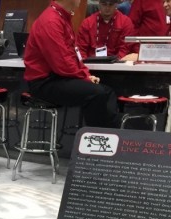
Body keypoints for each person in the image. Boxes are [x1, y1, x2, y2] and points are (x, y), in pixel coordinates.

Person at [23, 0, 119, 128]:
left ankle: (111, 136)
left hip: (56, 78)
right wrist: (84, 77)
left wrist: (85, 75)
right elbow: (62, 63)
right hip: (44, 83)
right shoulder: (51, 21)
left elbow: (73, 56)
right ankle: (100, 136)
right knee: (98, 94)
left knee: (107, 92)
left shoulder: (62, 17)